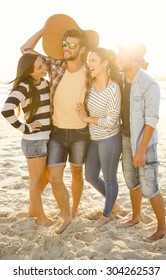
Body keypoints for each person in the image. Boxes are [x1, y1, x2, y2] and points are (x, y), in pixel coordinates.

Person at [20, 14, 99, 233]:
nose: (65, 48)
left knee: (76, 174)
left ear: (82, 49)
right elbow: (25, 50)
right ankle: (65, 217)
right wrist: (45, 31)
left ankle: (74, 209)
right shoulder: (56, 66)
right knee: (55, 178)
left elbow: (107, 89)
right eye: (64, 43)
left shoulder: (91, 71)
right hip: (56, 133)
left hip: (80, 133)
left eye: (71, 45)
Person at [116, 43, 166, 242]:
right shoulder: (120, 80)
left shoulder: (149, 85)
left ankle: (162, 228)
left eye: (123, 57)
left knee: (150, 187)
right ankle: (136, 216)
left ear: (135, 60)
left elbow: (151, 121)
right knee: (131, 181)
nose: (119, 60)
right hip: (125, 138)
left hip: (144, 143)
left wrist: (141, 150)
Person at [1, 53, 53, 226]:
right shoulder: (24, 86)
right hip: (34, 141)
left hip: (47, 139)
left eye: (44, 64)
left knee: (46, 178)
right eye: (40, 67)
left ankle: (33, 209)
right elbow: (6, 110)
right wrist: (26, 127)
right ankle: (40, 218)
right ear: (30, 71)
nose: (44, 68)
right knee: (35, 181)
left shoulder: (45, 83)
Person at [77, 48, 122, 227]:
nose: (89, 64)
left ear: (104, 64)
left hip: (110, 139)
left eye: (93, 60)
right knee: (90, 176)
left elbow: (111, 121)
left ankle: (106, 214)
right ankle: (113, 203)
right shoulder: (89, 85)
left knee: (110, 178)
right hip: (93, 138)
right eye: (88, 60)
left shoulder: (113, 88)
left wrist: (86, 119)